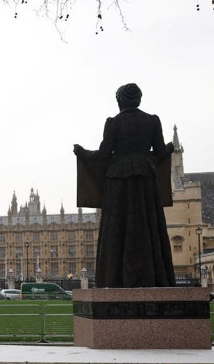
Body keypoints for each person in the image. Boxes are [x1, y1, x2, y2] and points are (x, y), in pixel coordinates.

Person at [74, 83, 176, 288]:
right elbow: (161, 154)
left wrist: (83, 153)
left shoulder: (113, 122)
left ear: (119, 101)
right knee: (149, 227)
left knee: (117, 228)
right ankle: (154, 277)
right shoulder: (152, 121)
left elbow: (104, 154)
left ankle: (114, 278)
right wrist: (169, 148)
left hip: (118, 180)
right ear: (138, 100)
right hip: (145, 180)